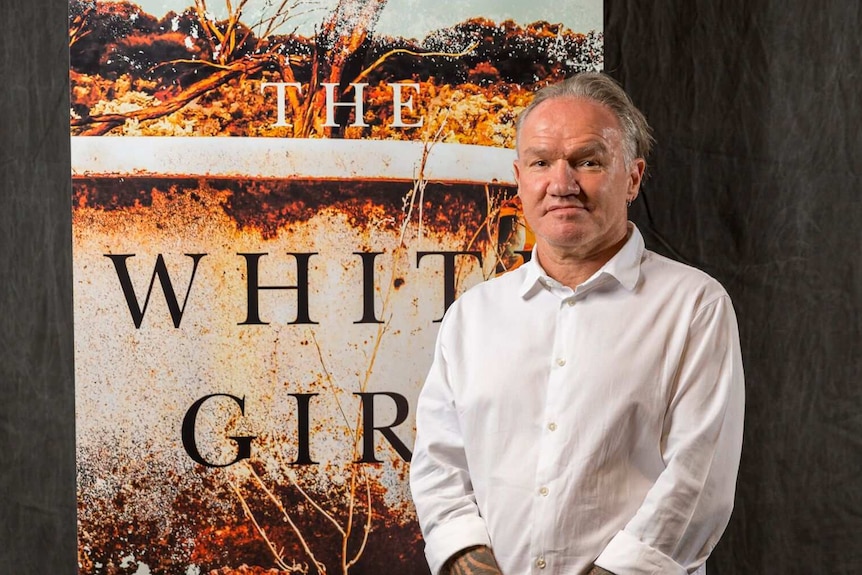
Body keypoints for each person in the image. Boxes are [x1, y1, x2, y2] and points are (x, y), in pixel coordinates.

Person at [409, 72, 745, 575]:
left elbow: (699, 482)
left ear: (632, 178)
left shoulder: (694, 306)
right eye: (542, 163)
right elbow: (439, 469)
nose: (561, 184)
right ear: (520, 177)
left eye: (588, 162)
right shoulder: (472, 316)